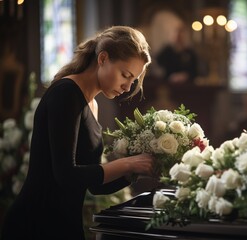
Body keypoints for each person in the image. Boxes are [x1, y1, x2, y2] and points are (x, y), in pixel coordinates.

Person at [1, 26, 154, 240]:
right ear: (102, 58)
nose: (128, 87)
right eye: (125, 75)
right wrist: (128, 163)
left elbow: (94, 185)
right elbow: (65, 175)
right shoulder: (66, 94)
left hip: (64, 224)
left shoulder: (92, 105)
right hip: (34, 224)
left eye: (133, 80)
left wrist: (137, 170)